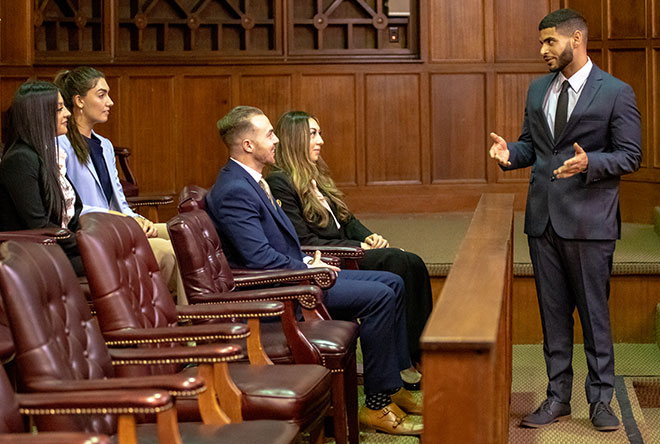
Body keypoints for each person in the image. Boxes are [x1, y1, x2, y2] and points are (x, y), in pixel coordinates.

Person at [206, 105, 423, 436]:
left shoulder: (250, 181)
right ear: (247, 145)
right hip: (279, 293)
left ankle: (392, 387)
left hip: (297, 274)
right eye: (269, 134)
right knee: (380, 296)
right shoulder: (235, 190)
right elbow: (260, 258)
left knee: (393, 282)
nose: (277, 140)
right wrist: (308, 267)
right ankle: (377, 405)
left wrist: (308, 262)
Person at [489, 9, 641, 432]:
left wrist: (592, 162)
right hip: (543, 222)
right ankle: (557, 397)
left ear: (576, 39)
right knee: (553, 316)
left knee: (594, 317)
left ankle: (601, 400)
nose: (543, 51)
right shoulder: (538, 90)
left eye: (550, 42)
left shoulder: (615, 92)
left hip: (590, 223)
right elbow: (531, 148)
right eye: (542, 43)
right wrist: (508, 156)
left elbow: (631, 155)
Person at [266, 110, 432, 379]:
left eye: (319, 133)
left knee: (411, 262)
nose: (321, 140)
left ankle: (418, 354)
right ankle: (412, 360)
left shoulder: (315, 174)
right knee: (401, 261)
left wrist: (369, 236)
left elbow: (346, 218)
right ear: (295, 139)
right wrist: (359, 247)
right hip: (331, 258)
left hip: (349, 247)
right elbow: (304, 241)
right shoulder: (280, 181)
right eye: (313, 134)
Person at [54, 67, 183, 302]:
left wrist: (137, 218)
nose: (110, 102)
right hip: (91, 229)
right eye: (102, 95)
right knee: (166, 251)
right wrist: (125, 219)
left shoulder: (104, 144)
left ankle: (187, 316)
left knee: (183, 234)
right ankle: (156, 312)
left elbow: (119, 201)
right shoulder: (61, 145)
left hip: (119, 223)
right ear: (79, 101)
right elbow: (72, 206)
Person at [0, 81, 85, 275]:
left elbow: (72, 215)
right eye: (59, 109)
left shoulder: (47, 154)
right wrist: (86, 244)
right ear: (40, 115)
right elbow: (38, 225)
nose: (68, 114)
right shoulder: (20, 159)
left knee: (121, 257)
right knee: (119, 263)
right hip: (36, 255)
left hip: (60, 249)